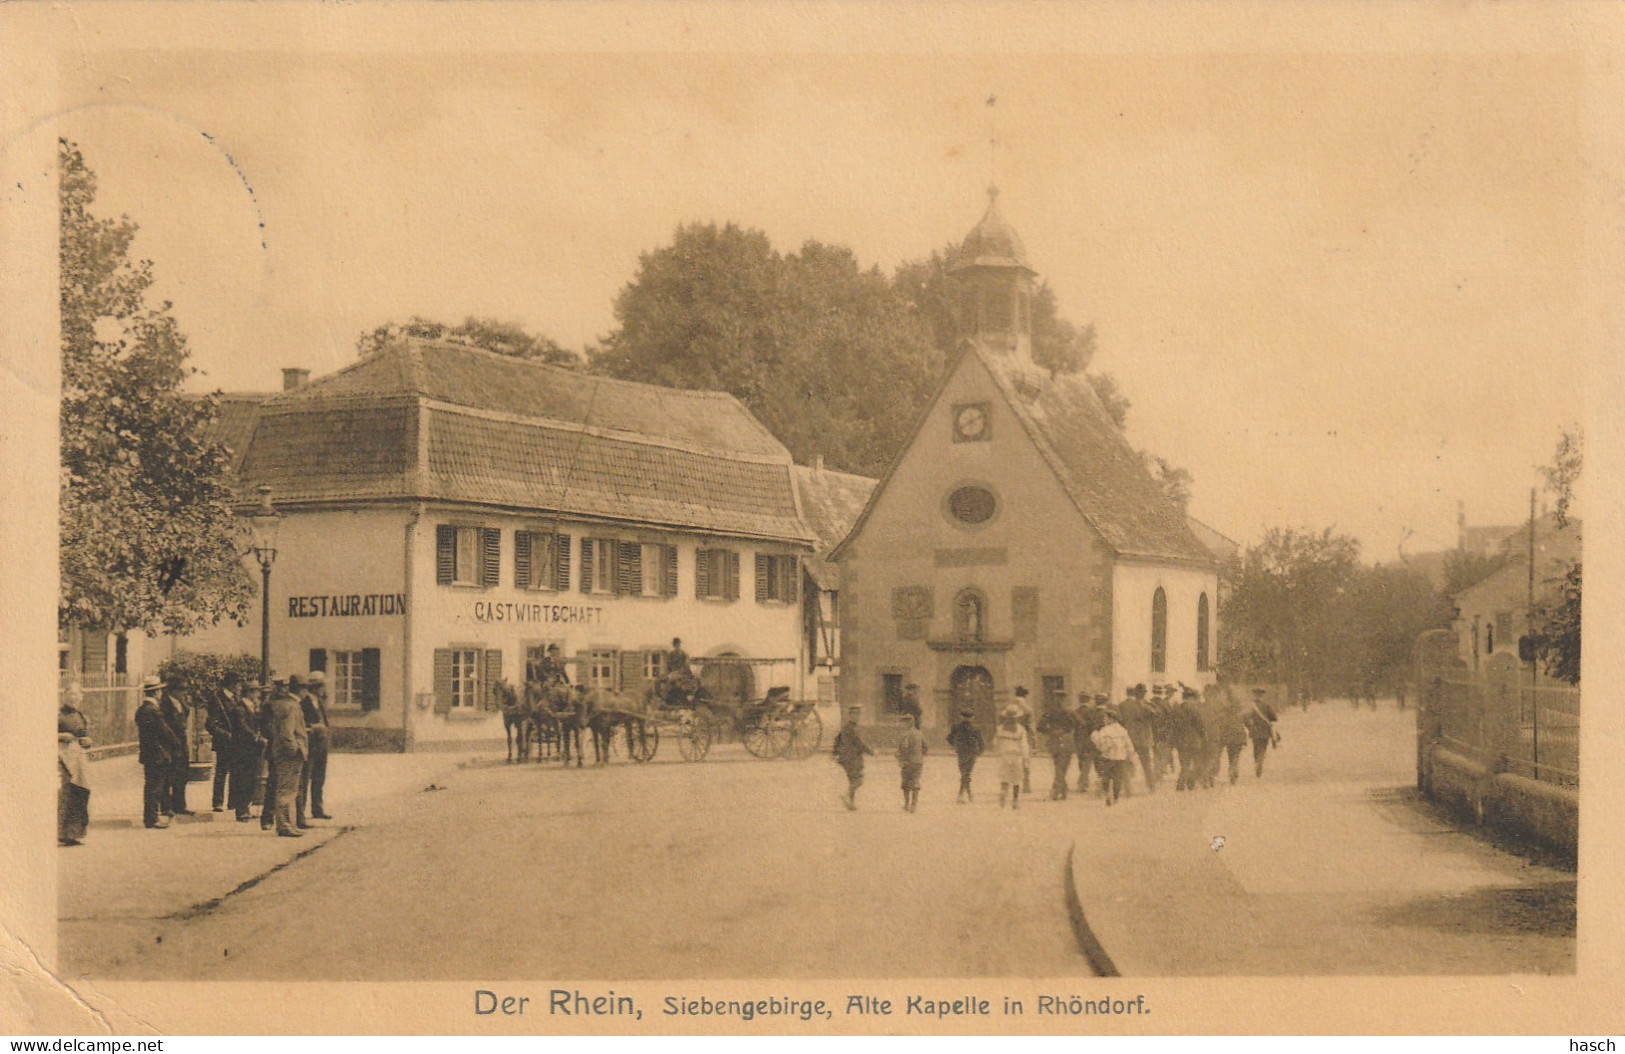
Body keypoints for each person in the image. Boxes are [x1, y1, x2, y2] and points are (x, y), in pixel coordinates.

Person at [266, 680, 309, 837]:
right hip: (289, 755)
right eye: (305, 689)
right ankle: (284, 825)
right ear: (301, 690)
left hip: (284, 753)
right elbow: (286, 733)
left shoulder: (285, 704)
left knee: (288, 789)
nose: (306, 693)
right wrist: (296, 750)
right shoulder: (292, 706)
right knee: (286, 790)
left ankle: (287, 824)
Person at [135, 676, 177, 829]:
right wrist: (175, 742)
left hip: (149, 754)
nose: (161, 693)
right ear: (155, 692)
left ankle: (150, 817)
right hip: (157, 754)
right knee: (155, 788)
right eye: (159, 690)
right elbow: (164, 731)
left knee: (151, 786)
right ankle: (152, 819)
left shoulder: (142, 710)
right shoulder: (153, 711)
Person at [297, 670, 333, 825]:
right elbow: (300, 725)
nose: (324, 689)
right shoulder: (303, 703)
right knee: (305, 780)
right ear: (316, 687)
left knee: (319, 778)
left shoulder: (321, 702)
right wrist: (314, 727)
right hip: (310, 745)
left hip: (321, 746)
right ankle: (301, 813)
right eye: (322, 686)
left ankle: (317, 809)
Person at [227, 682, 265, 821]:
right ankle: (241, 810)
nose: (258, 695)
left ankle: (246, 808)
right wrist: (256, 738)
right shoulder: (239, 709)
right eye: (256, 692)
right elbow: (243, 728)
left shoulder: (253, 707)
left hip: (252, 750)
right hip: (242, 750)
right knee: (242, 780)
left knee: (252, 779)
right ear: (249, 693)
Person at [206, 675, 241, 813]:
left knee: (236, 772)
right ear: (231, 684)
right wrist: (226, 735)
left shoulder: (236, 699)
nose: (239, 688)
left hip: (237, 741)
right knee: (221, 772)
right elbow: (210, 725)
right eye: (237, 685)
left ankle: (233, 802)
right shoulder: (217, 699)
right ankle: (218, 802)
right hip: (224, 742)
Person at [1116, 684, 1158, 794]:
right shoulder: (1146, 705)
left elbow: (1119, 721)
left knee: (1126, 763)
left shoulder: (1122, 705)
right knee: (1147, 764)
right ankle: (1151, 787)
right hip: (1143, 739)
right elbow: (1155, 714)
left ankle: (1128, 788)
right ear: (1143, 694)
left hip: (1128, 739)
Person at [58, 713, 92, 846]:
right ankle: (62, 833)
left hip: (78, 758)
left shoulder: (81, 716)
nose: (74, 697)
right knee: (66, 794)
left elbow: (86, 738)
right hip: (63, 757)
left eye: (77, 695)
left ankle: (74, 833)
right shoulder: (59, 715)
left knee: (80, 791)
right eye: (71, 694)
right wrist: (60, 736)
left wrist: (88, 742)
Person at [831, 705, 873, 811]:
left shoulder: (845, 727)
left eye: (858, 715)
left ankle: (851, 803)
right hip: (852, 757)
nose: (856, 717)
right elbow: (858, 742)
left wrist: (834, 752)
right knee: (858, 780)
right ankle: (846, 796)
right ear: (850, 715)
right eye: (854, 714)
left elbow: (837, 740)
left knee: (852, 780)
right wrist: (870, 751)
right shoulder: (852, 728)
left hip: (846, 757)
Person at [1090, 707, 1134, 806]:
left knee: (1106, 777)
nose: (1104, 720)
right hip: (1121, 758)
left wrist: (1094, 735)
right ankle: (1116, 797)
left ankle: (1108, 795)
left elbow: (1101, 744)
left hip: (1108, 758)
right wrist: (1130, 756)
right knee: (1117, 779)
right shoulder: (1123, 730)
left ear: (1111, 719)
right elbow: (1129, 745)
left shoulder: (1105, 731)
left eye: (1105, 718)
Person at [161, 682, 193, 818]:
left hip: (182, 742)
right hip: (170, 743)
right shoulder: (164, 704)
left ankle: (180, 805)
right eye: (181, 690)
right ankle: (166, 807)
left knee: (182, 774)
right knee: (169, 775)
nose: (184, 693)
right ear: (173, 690)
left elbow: (186, 714)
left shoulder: (182, 703)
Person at [1036, 695, 1077, 801]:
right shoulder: (1069, 712)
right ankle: (1058, 789)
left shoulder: (1049, 712)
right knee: (1062, 766)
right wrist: (1067, 730)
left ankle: (1061, 789)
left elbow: (1039, 727)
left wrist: (1050, 732)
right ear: (1064, 700)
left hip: (1054, 740)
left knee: (1058, 765)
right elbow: (1080, 723)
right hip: (1066, 740)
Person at [993, 705, 1031, 809]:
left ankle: (1004, 792)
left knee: (1005, 776)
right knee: (1016, 779)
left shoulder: (1000, 729)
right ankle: (1015, 801)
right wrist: (1026, 758)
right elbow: (1024, 745)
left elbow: (996, 743)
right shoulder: (1020, 730)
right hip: (1016, 756)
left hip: (1005, 755)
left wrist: (999, 752)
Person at [945, 707, 984, 804]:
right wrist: (980, 751)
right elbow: (981, 742)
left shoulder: (956, 727)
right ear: (972, 717)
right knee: (967, 774)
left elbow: (949, 738)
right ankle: (966, 795)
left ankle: (964, 795)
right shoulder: (975, 728)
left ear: (961, 716)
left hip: (961, 752)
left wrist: (955, 745)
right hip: (971, 752)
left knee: (964, 773)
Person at [1244, 687, 1282, 778]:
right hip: (1265, 731)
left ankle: (1257, 762)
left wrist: (1249, 726)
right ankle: (1259, 762)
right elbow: (1274, 718)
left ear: (1254, 695)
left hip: (1254, 731)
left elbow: (1245, 718)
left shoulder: (1250, 706)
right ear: (1262, 696)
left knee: (1256, 748)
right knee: (1262, 748)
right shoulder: (1266, 706)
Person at [894, 712, 928, 813]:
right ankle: (914, 804)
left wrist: (898, 756)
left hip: (907, 762)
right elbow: (925, 747)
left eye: (903, 722)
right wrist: (920, 755)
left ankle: (906, 804)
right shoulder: (920, 733)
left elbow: (904, 748)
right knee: (915, 781)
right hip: (918, 762)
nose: (901, 724)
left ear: (908, 723)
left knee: (906, 783)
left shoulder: (905, 734)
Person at [1010, 687, 1035, 794]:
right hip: (1023, 736)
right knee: (1025, 760)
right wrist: (1034, 744)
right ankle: (1026, 784)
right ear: (1025, 696)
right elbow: (1031, 727)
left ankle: (1014, 784)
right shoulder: (1027, 709)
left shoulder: (1008, 708)